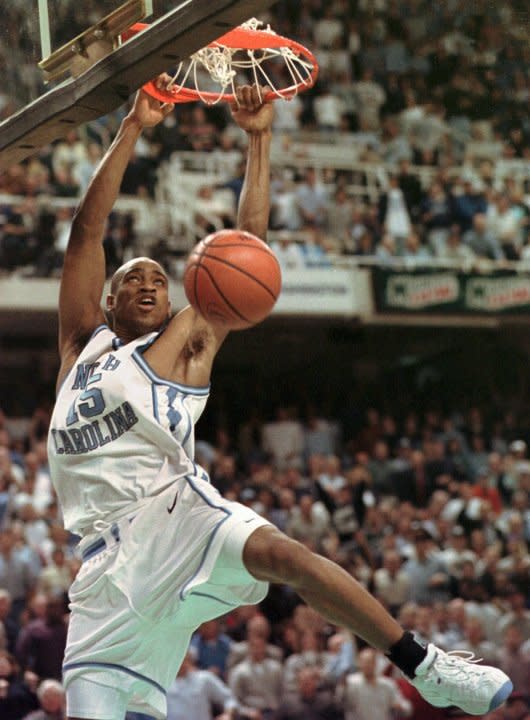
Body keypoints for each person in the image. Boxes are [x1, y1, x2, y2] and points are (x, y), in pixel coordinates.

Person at [47, 79, 512, 720]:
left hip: (175, 516)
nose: (150, 282)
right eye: (134, 278)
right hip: (103, 573)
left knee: (283, 554)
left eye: (160, 276)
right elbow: (85, 234)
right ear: (109, 301)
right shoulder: (82, 347)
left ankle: (425, 666)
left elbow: (246, 249)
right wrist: (133, 127)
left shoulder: (189, 341)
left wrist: (259, 139)